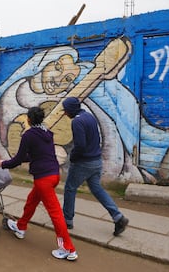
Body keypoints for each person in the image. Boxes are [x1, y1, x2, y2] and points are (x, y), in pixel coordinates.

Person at [0, 106, 78, 261]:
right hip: (54, 174)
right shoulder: (47, 132)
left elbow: (19, 159)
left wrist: (3, 164)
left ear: (28, 119)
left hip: (44, 179)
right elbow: (35, 155)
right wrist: (8, 162)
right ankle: (20, 227)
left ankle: (68, 249)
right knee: (31, 201)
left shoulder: (29, 135)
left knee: (55, 214)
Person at [61, 97, 129, 236]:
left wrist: (73, 158)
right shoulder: (89, 116)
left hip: (83, 163)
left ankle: (67, 220)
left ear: (71, 110)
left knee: (70, 188)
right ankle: (118, 217)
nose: (64, 113)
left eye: (66, 110)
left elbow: (80, 145)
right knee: (97, 189)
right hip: (96, 161)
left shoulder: (77, 122)